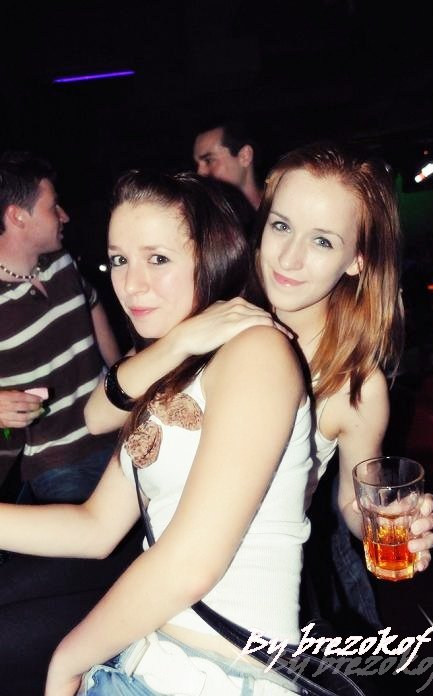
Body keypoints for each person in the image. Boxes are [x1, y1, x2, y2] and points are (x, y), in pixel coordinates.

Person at [85, 143, 433, 626]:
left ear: (357, 260)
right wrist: (181, 340)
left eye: (322, 242)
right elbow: (99, 414)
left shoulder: (354, 384)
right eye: (281, 226)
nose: (289, 258)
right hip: (159, 581)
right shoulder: (213, 310)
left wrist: (399, 521)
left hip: (246, 601)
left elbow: (352, 501)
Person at [0, 170, 314, 696]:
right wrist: (177, 343)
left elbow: (190, 564)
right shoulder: (166, 367)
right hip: (148, 655)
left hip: (222, 677)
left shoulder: (255, 351)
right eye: (120, 259)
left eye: (158, 259)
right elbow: (97, 526)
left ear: (212, 257)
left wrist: (67, 662)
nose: (131, 284)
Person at [0, 150, 121, 504]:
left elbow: (92, 306)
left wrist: (121, 379)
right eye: (53, 207)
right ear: (18, 216)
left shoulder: (62, 261)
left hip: (118, 429)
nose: (64, 215)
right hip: (59, 461)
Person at [193, 120, 263, 208]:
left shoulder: (276, 206)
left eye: (209, 160)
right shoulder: (203, 212)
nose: (200, 172)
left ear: (245, 156)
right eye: (197, 164)